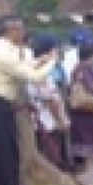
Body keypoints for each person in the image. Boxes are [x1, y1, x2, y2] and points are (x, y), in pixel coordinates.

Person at [0, 16, 58, 185]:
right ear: (10, 31)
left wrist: (40, 61)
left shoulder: (7, 50)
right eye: (20, 29)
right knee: (2, 150)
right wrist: (52, 61)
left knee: (7, 148)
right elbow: (34, 77)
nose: (23, 33)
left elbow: (23, 68)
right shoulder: (1, 52)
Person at [27, 36, 71, 172]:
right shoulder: (39, 71)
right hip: (48, 124)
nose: (58, 53)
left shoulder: (36, 69)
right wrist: (60, 120)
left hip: (43, 123)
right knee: (53, 161)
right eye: (55, 51)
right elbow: (50, 99)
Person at [67, 44, 93, 168]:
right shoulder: (81, 71)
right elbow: (83, 95)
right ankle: (92, 179)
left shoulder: (85, 70)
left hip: (91, 116)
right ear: (92, 57)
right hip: (85, 118)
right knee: (89, 155)